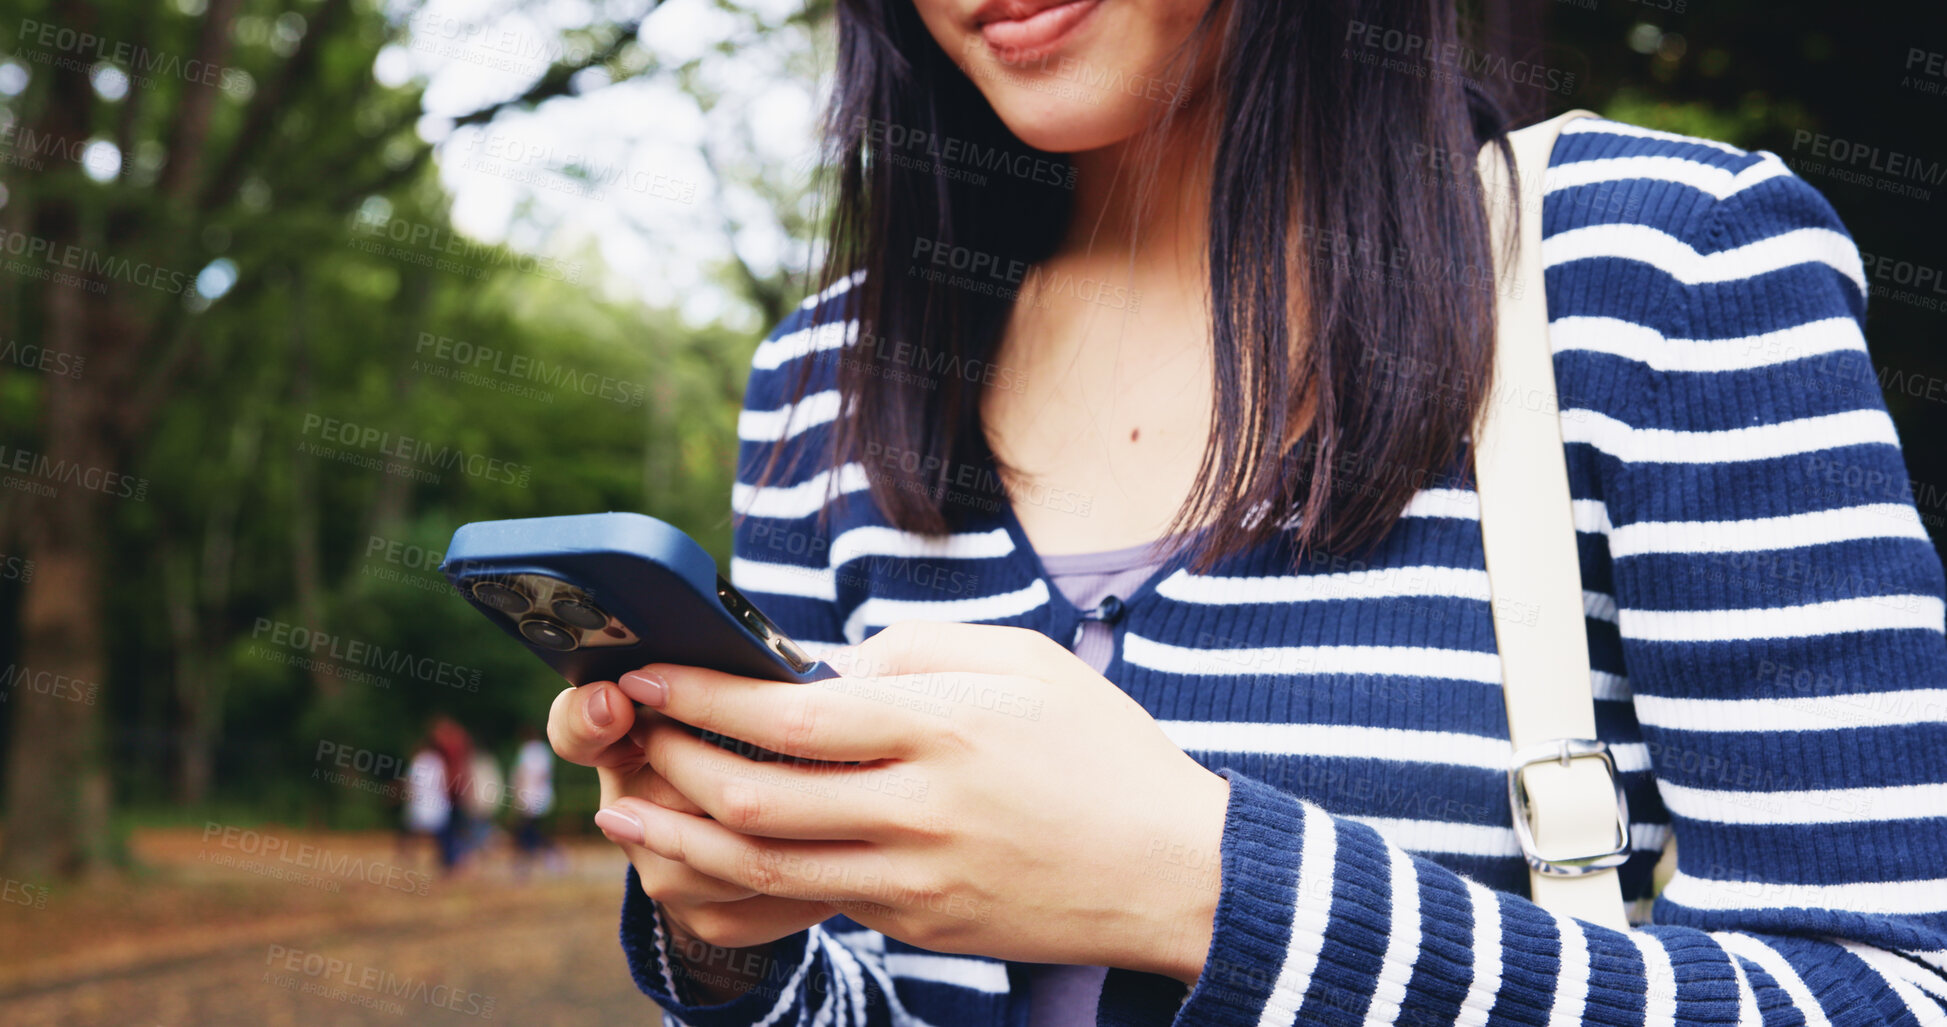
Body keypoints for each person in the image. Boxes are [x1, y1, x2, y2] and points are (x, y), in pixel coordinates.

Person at [549, 1, 1947, 1024]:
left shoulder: (1658, 269)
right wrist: (729, 934)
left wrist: (1205, 888)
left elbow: (1894, 987)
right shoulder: (828, 376)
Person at [509, 726, 562, 877]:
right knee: (532, 831)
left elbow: (522, 775)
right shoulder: (544, 751)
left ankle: (530, 861)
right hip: (540, 797)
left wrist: (517, 796)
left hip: (529, 797)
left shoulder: (527, 751)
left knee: (528, 832)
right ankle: (545, 857)